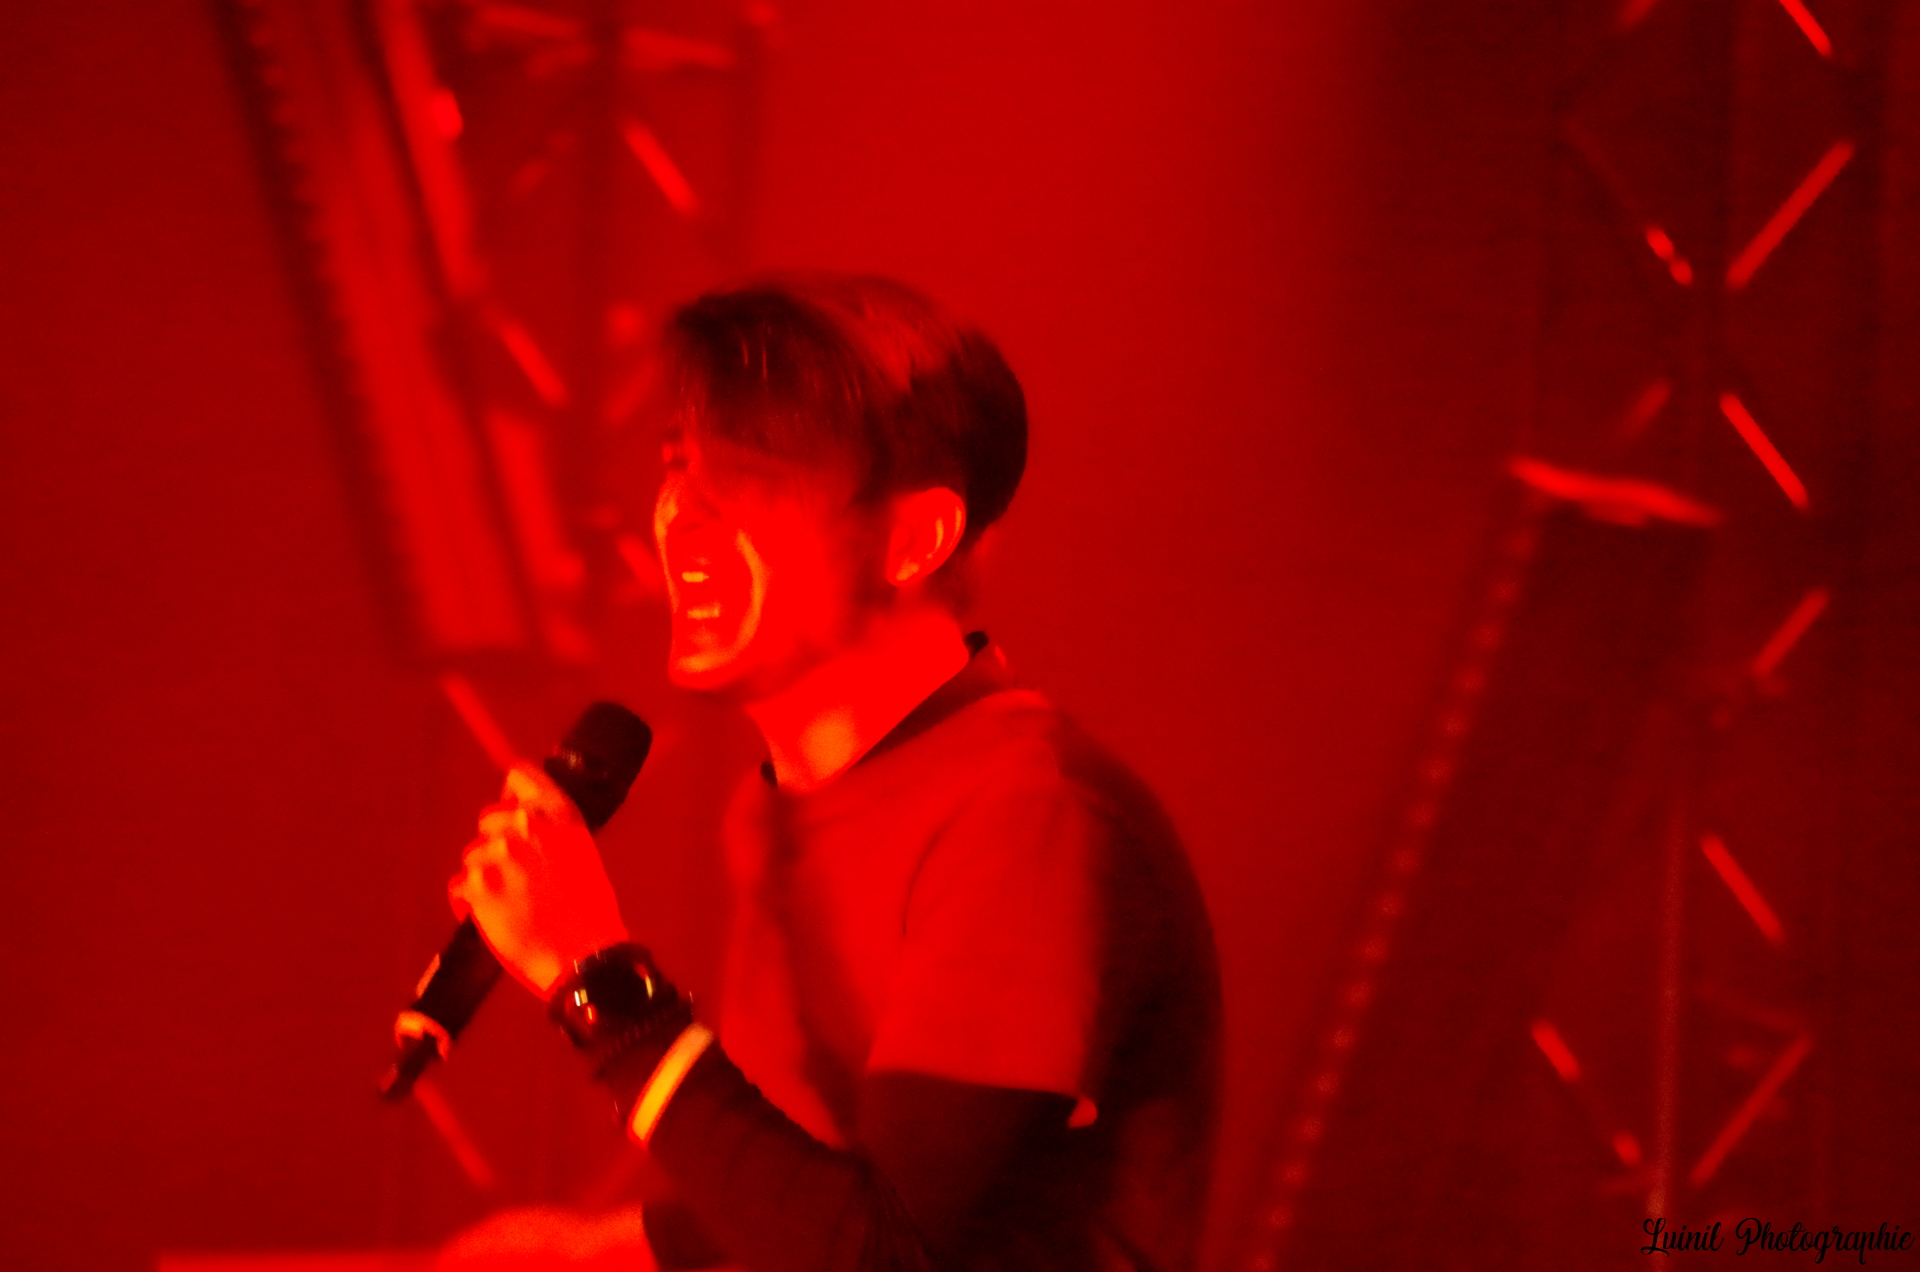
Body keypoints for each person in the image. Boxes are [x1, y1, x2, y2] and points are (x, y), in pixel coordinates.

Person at [450, 274, 1221, 1272]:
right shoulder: (777, 812)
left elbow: (881, 1256)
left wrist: (595, 979)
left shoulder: (1028, 816)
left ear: (915, 540)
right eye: (677, 466)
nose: (682, 513)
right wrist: (603, 1252)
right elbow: (811, 1204)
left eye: (751, 473)